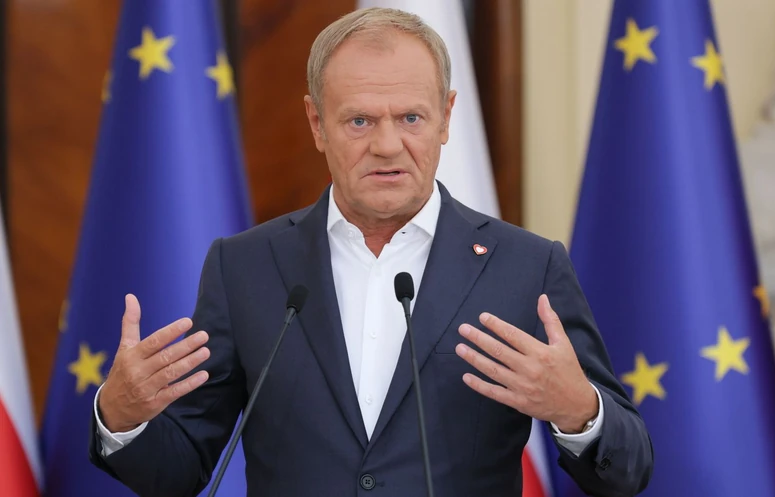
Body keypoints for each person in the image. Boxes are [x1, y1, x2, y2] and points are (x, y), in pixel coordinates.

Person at [88, 7, 653, 497]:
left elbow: (627, 472)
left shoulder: (525, 267)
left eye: (411, 118)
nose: (387, 145)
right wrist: (120, 417)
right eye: (359, 120)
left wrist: (579, 411)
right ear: (317, 124)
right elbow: (179, 472)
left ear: (446, 118)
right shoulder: (245, 268)